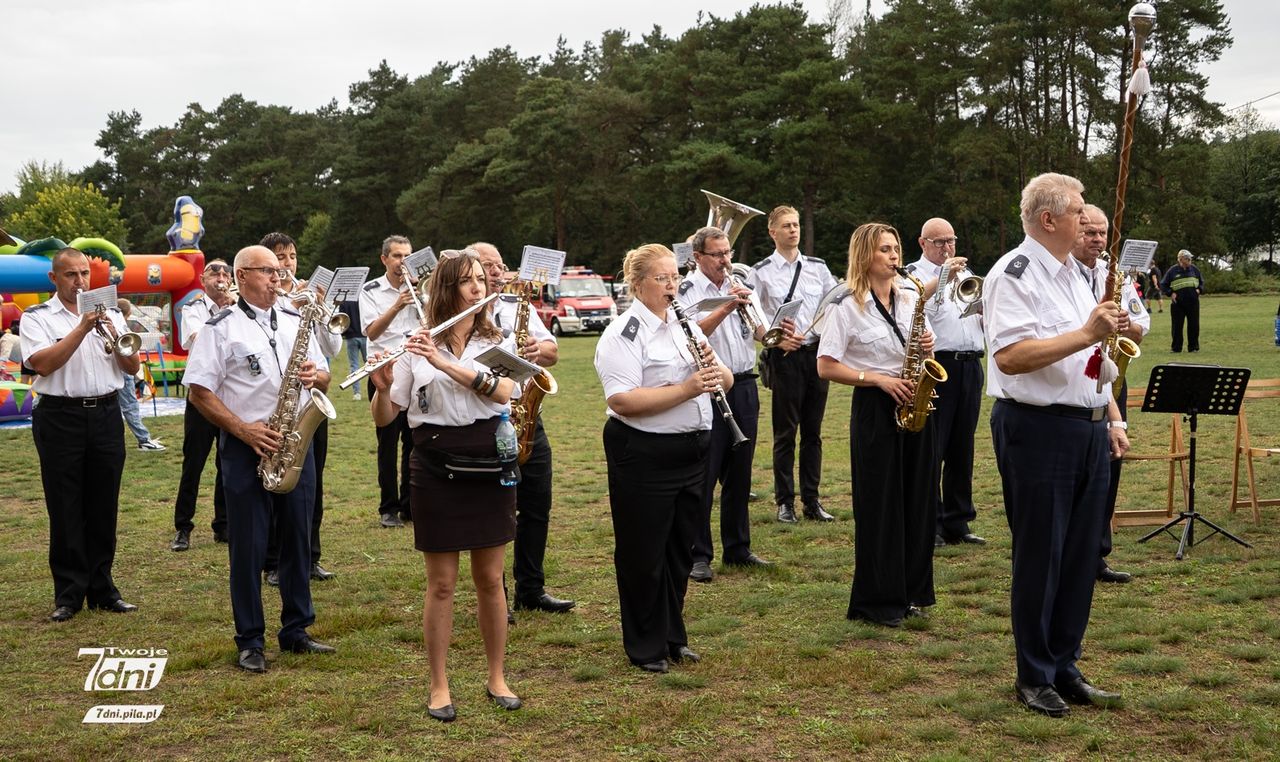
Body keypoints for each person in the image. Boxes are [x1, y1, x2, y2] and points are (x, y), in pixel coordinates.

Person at [985, 173, 1129, 717]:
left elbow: (1092, 360)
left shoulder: (1077, 275)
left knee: (1079, 555)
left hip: (1089, 423)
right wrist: (1088, 333)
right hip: (1037, 428)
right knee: (1042, 553)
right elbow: (1011, 357)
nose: (1087, 221)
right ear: (1049, 219)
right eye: (1078, 212)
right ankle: (1034, 674)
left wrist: (1112, 415)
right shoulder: (1013, 274)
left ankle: (1066, 663)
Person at [369, 249, 522, 721]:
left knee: (491, 579)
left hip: (487, 460)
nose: (478, 287)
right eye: (467, 281)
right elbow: (387, 416)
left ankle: (496, 676)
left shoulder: (497, 340)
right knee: (441, 585)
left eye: (481, 279)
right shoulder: (417, 345)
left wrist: (444, 360)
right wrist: (381, 385)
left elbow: (504, 390)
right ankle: (438, 685)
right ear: (446, 289)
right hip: (433, 464)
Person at [185, 245, 336, 673]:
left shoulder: (296, 320)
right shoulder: (221, 327)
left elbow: (324, 372)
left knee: (297, 538)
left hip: (294, 442)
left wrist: (316, 376)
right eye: (268, 270)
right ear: (241, 275)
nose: (278, 276)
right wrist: (242, 429)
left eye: (279, 269)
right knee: (249, 547)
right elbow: (199, 390)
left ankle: (297, 630)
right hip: (245, 444)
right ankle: (250, 638)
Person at [594, 243, 732, 673]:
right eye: (662, 278)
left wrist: (711, 369)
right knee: (643, 553)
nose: (673, 285)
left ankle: (673, 636)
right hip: (644, 454)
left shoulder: (682, 324)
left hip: (692, 451)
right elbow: (622, 400)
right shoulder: (623, 333)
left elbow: (724, 378)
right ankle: (644, 644)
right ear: (637, 285)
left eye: (675, 276)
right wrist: (688, 388)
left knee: (679, 550)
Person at [816, 223, 938, 626]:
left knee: (918, 500)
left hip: (913, 397)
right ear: (865, 255)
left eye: (896, 248)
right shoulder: (844, 304)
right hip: (875, 405)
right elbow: (826, 365)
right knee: (881, 505)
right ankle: (878, 600)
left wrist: (926, 347)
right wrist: (878, 379)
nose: (894, 256)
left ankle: (912, 592)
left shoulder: (909, 295)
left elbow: (925, 341)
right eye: (885, 249)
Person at [21, 247, 140, 622]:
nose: (80, 281)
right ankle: (69, 594)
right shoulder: (36, 317)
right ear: (54, 279)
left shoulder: (108, 314)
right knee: (66, 505)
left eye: (85, 273)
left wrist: (114, 333)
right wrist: (82, 328)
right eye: (71, 275)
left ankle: (104, 589)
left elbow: (133, 366)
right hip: (60, 417)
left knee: (104, 505)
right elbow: (41, 364)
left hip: (105, 412)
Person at [474, 242, 576, 616]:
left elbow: (552, 351)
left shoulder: (518, 306)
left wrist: (536, 349)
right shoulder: (462, 313)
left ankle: (531, 588)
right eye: (488, 265)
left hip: (526, 414)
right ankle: (496, 595)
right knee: (496, 511)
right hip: (486, 419)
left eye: (500, 265)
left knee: (537, 505)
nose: (498, 271)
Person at [680, 226, 771, 583]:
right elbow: (690, 332)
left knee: (740, 470)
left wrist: (775, 328)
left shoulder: (740, 282)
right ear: (698, 257)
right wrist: (727, 306)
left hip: (745, 382)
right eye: (717, 255)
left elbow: (762, 332)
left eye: (727, 252)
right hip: (709, 385)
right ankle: (698, 554)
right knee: (706, 472)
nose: (725, 260)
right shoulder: (688, 290)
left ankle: (738, 547)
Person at [1070, 204, 1150, 584]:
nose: (1097, 240)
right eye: (1089, 232)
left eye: (1102, 234)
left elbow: (1142, 324)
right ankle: (1071, 552)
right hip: (1075, 381)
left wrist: (1125, 324)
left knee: (1109, 466)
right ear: (1073, 231)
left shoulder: (1114, 273)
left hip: (1112, 378)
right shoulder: (1063, 274)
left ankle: (1097, 554)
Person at [747, 205, 840, 523]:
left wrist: (815, 332)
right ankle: (785, 501)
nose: (793, 230)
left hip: (814, 355)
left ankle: (812, 501)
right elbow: (752, 315)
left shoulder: (817, 267)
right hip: (784, 358)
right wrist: (773, 339)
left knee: (813, 433)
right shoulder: (760, 272)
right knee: (785, 433)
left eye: (796, 224)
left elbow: (832, 307)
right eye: (786, 226)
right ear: (772, 232)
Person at [903, 218, 987, 548]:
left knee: (961, 447)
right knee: (933, 447)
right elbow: (917, 311)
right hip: (938, 364)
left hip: (970, 364)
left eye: (951, 240)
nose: (947, 247)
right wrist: (942, 280)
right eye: (939, 241)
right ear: (923, 243)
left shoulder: (965, 275)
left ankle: (958, 519)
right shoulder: (913, 274)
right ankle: (931, 521)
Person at [261, 232, 339, 583]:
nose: (288, 262)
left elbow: (333, 349)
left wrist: (318, 310)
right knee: (278, 483)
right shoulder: (267, 302)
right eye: (280, 256)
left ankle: (311, 555)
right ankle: (275, 560)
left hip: (309, 405)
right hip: (277, 408)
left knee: (311, 484)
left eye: (292, 255)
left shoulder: (308, 297)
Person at [171, 259, 235, 551]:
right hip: (202, 395)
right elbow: (196, 340)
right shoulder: (193, 308)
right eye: (214, 272)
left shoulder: (239, 308)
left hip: (231, 395)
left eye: (226, 273)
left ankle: (223, 525)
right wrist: (227, 313)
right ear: (202, 278)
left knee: (228, 463)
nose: (221, 277)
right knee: (193, 463)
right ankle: (183, 527)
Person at [359, 235, 420, 528]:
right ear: (384, 259)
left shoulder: (421, 288)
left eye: (407, 255)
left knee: (414, 440)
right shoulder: (371, 291)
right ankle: (388, 507)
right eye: (396, 256)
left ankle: (411, 504)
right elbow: (371, 332)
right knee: (388, 442)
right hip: (385, 371)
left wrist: (420, 296)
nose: (402, 262)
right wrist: (397, 304)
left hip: (416, 370)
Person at [113, 298, 165, 452]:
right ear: (128, 313)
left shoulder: (118, 326)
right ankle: (144, 439)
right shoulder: (118, 326)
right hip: (122, 371)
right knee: (130, 406)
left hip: (120, 370)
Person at [1160, 250, 1205, 353]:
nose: (1190, 261)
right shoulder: (1172, 271)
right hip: (1178, 303)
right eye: (1187, 259)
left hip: (1193, 302)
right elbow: (1163, 284)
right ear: (1180, 259)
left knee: (1194, 325)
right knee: (1177, 326)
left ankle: (1193, 347)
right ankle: (1176, 348)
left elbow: (1201, 281)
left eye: (1190, 259)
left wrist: (1199, 290)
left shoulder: (1194, 269)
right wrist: (1170, 293)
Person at [340, 299, 366, 400]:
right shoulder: (363, 299)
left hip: (351, 337)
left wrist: (346, 333)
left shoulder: (345, 302)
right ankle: (375, 389)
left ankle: (357, 393)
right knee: (370, 364)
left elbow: (342, 319)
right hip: (364, 335)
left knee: (354, 365)